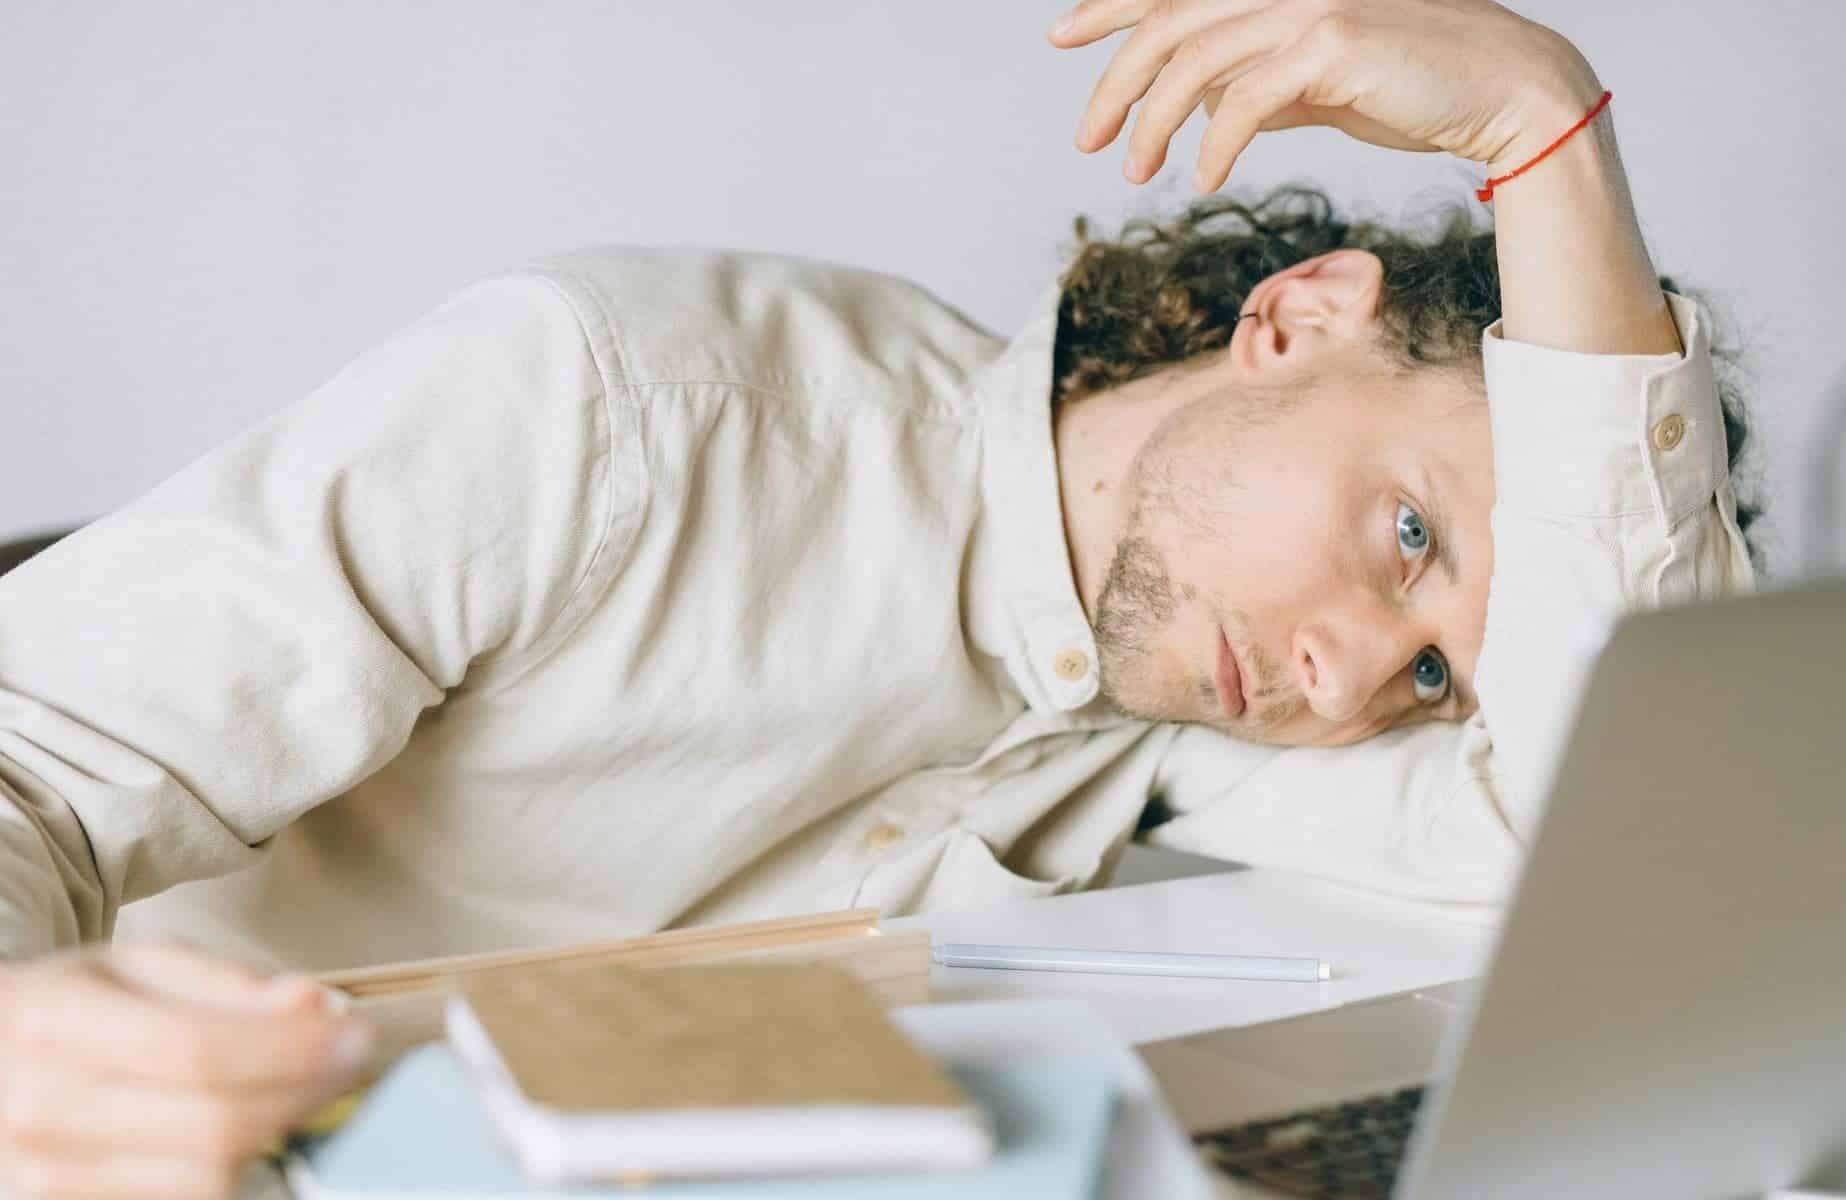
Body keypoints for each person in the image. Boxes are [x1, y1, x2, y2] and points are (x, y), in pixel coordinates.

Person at [0, 0, 1756, 1194]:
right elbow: (31, 761)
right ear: (1294, 317)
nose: (1348, 669)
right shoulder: (623, 405)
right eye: (1405, 537)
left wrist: (1547, 137)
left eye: (1439, 672)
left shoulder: (1173, 718)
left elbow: (1633, 842)